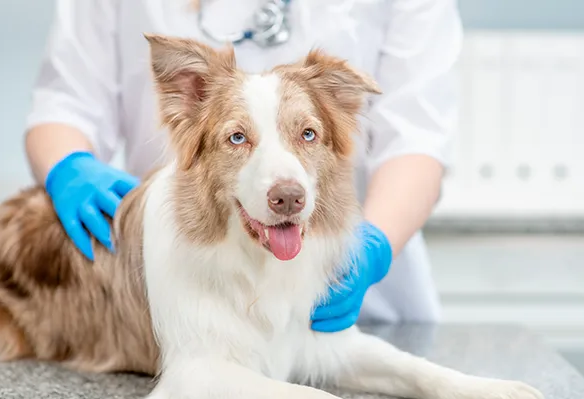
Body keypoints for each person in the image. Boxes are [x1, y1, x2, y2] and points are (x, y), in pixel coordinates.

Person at [24, 0, 463, 332]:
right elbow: (65, 102)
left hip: (356, 301)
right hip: (194, 284)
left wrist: (372, 248)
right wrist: (71, 166)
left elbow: (417, 136)